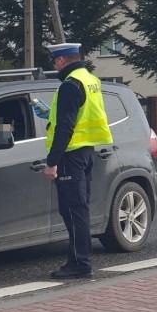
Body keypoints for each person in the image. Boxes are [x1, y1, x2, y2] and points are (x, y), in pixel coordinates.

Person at [43, 42, 113, 279]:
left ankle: (80, 264)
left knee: (73, 210)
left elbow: (66, 127)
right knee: (78, 209)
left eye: (55, 61)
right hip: (86, 152)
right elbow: (80, 115)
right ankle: (79, 261)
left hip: (70, 155)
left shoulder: (70, 85)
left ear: (61, 61)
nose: (55, 65)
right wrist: (49, 116)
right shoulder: (90, 80)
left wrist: (52, 162)